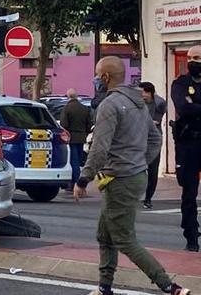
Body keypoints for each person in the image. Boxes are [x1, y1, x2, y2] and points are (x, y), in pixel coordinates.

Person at [74, 57, 189, 295]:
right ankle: (104, 288)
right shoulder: (138, 103)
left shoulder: (109, 105)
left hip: (119, 179)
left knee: (125, 239)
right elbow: (155, 138)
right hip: (134, 176)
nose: (96, 79)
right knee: (104, 235)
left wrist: (84, 179)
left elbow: (100, 147)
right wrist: (140, 162)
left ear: (105, 77)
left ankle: (169, 286)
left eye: (97, 75)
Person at [171, 45, 201, 252]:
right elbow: (183, 107)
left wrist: (194, 105)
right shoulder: (180, 83)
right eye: (190, 57)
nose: (193, 61)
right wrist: (191, 106)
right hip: (188, 143)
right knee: (189, 191)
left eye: (197, 57)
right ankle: (191, 236)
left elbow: (191, 107)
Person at [139, 81, 167, 209]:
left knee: (153, 170)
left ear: (149, 93)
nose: (141, 95)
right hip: (139, 138)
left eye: (143, 92)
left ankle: (148, 198)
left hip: (153, 140)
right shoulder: (138, 103)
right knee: (137, 168)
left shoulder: (159, 103)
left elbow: (155, 121)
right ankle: (136, 194)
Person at [60, 88, 92, 190]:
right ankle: (78, 181)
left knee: (73, 161)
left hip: (71, 138)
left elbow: (64, 124)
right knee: (78, 160)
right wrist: (84, 133)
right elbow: (89, 125)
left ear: (68, 97)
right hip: (82, 137)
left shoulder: (67, 108)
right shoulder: (84, 108)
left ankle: (75, 183)